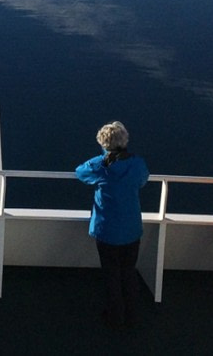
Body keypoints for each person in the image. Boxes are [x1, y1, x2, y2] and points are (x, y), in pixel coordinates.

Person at [75, 120, 149, 330]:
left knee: (112, 275)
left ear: (104, 144)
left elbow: (80, 172)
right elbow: (143, 180)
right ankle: (133, 315)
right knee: (128, 271)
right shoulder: (137, 164)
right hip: (132, 230)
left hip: (107, 231)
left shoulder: (100, 166)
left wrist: (103, 160)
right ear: (124, 141)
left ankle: (115, 317)